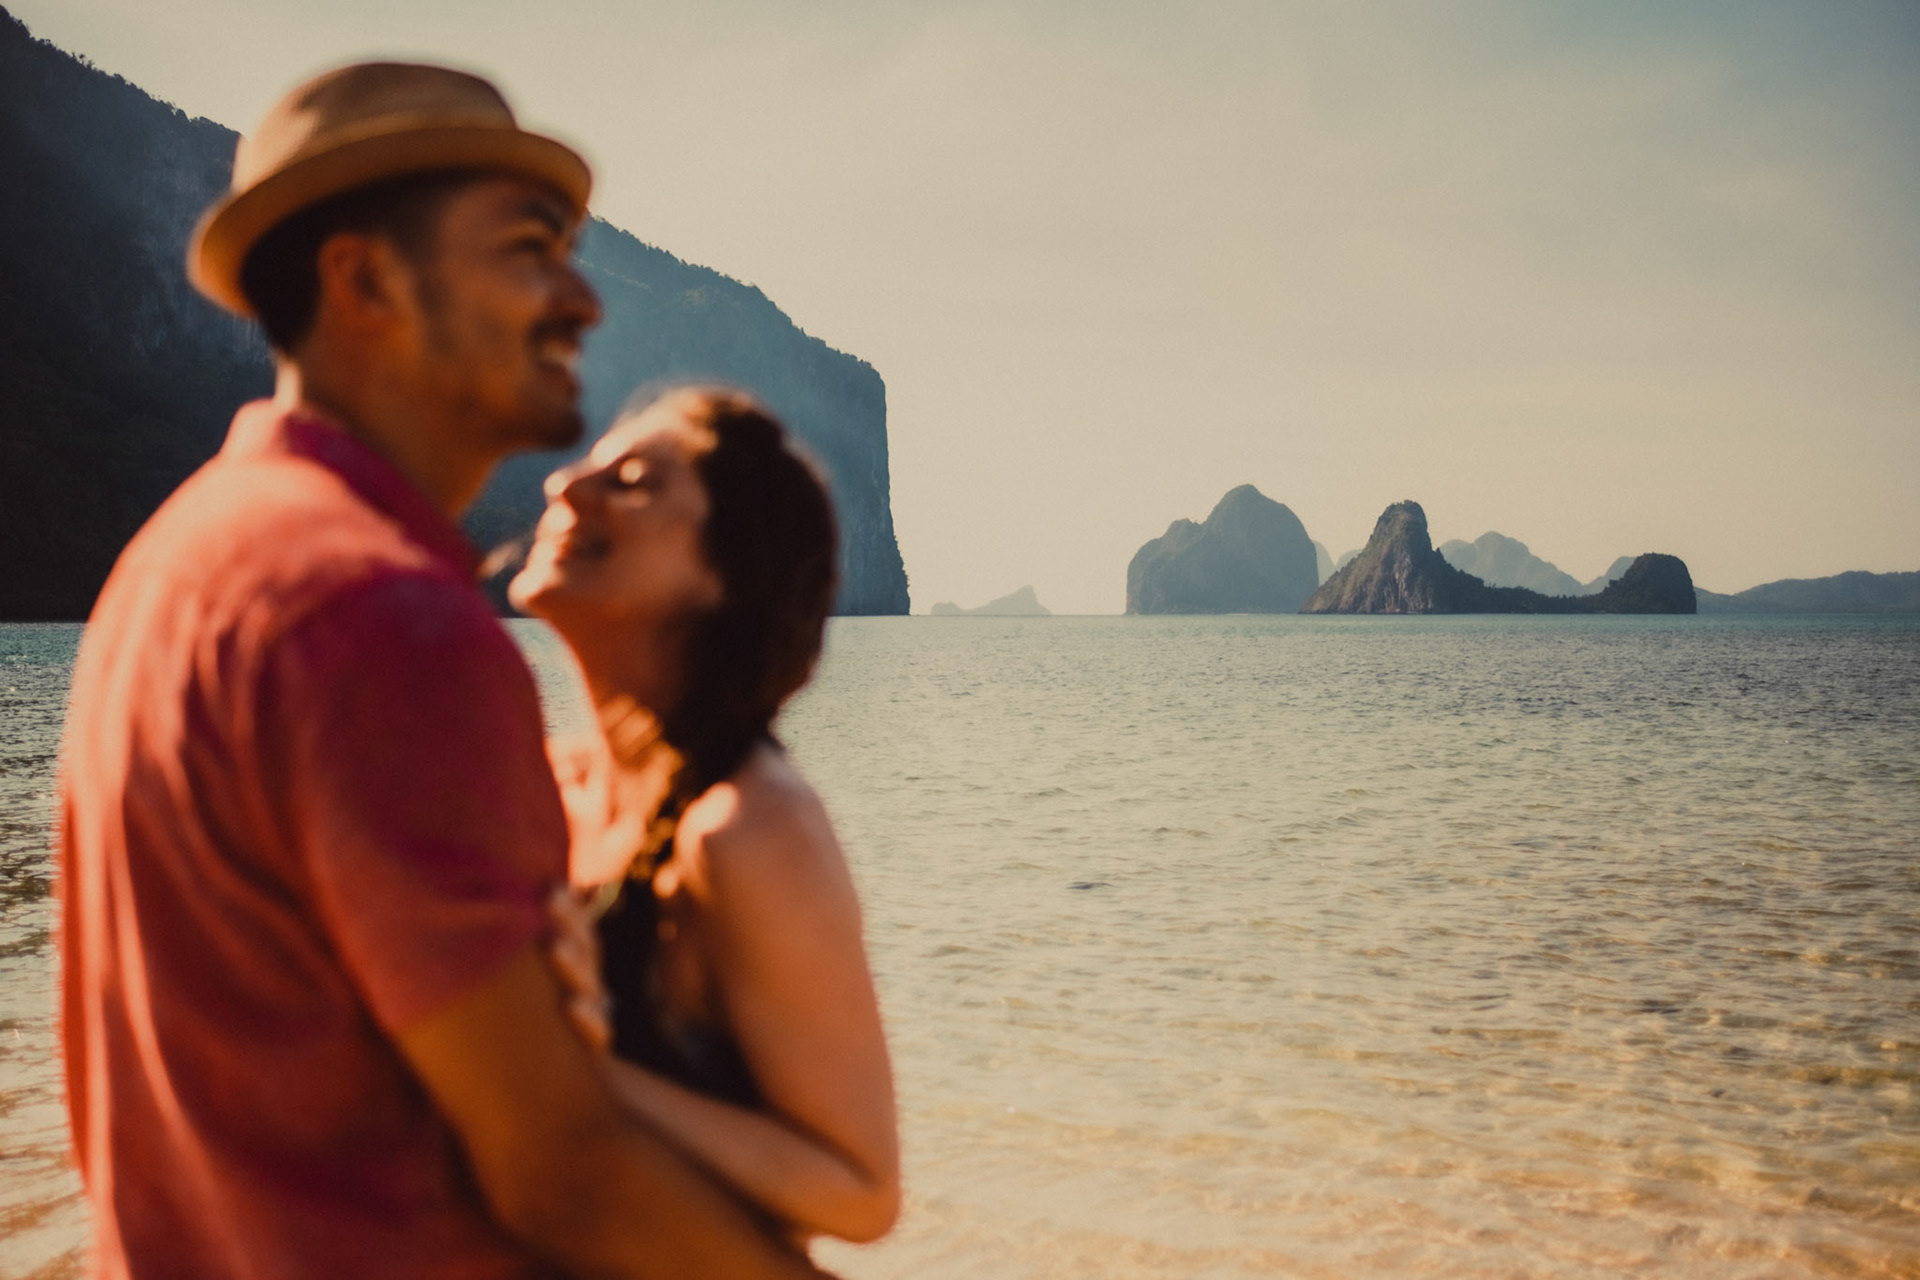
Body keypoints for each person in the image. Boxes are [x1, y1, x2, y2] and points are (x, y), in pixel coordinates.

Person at [59, 62, 828, 1278]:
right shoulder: (382, 619)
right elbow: (562, 1169)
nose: (583, 300)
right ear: (363, 280)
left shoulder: (175, 562)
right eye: (530, 251)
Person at [513, 387, 900, 1248]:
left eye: (633, 482)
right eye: (587, 468)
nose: (564, 486)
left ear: (726, 573)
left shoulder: (750, 825)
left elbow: (860, 1190)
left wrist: (585, 1073)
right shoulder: (541, 782)